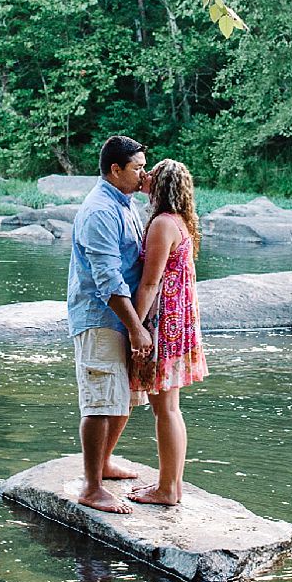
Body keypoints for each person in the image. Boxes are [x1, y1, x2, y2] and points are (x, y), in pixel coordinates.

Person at [66, 135, 152, 514]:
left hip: (122, 317)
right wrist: (136, 327)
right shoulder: (100, 210)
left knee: (124, 397)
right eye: (137, 168)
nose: (143, 174)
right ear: (115, 170)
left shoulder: (125, 202)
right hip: (100, 317)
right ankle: (91, 487)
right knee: (100, 401)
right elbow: (107, 279)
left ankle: (103, 463)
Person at [126, 158, 207, 506]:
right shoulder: (180, 221)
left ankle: (167, 489)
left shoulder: (161, 224)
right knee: (170, 408)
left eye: (151, 174)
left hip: (164, 326)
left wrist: (133, 328)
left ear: (160, 186)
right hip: (178, 324)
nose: (144, 176)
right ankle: (171, 485)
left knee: (166, 410)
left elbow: (150, 283)